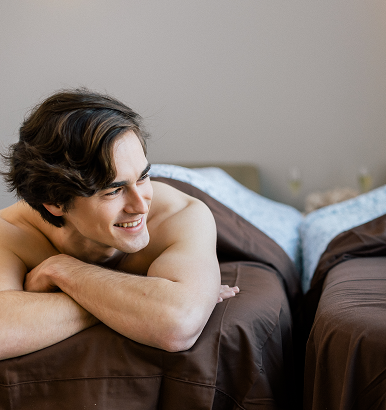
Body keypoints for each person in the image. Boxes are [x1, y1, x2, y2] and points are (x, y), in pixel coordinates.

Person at [0, 89, 239, 360]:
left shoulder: (180, 214)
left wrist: (63, 271)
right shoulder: (9, 233)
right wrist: (139, 303)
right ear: (54, 201)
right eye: (113, 190)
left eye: (143, 177)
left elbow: (177, 324)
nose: (141, 206)